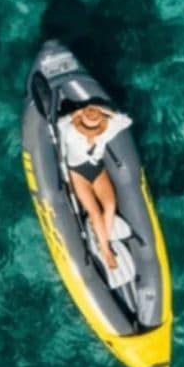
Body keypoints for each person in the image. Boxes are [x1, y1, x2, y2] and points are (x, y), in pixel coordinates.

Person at [57, 104, 132, 269]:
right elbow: (59, 124)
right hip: (78, 173)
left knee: (110, 205)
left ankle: (101, 235)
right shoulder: (70, 131)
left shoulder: (106, 129)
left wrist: (103, 110)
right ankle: (105, 251)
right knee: (95, 212)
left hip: (97, 170)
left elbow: (126, 121)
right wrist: (75, 113)